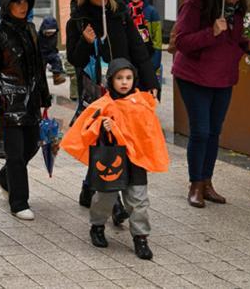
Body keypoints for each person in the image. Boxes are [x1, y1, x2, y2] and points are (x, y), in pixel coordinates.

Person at [61, 59, 169, 261]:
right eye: (119, 78)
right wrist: (102, 126)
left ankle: (141, 237)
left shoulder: (142, 104)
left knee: (138, 200)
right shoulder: (103, 105)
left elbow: (149, 132)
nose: (124, 82)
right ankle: (98, 226)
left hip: (136, 160)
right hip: (111, 159)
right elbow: (87, 127)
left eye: (128, 78)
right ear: (111, 81)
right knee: (105, 197)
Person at [66, 0, 159, 208]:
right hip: (95, 91)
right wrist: (85, 42)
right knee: (102, 141)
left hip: (122, 90)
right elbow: (74, 60)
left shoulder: (121, 14)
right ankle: (114, 202)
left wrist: (149, 83)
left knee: (121, 140)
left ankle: (90, 187)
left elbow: (137, 48)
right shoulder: (77, 20)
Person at [173, 0, 250, 207]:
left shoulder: (236, 9)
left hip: (223, 77)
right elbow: (181, 41)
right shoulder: (195, 4)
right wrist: (210, 31)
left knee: (214, 131)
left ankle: (206, 182)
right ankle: (194, 184)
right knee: (201, 131)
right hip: (194, 76)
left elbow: (232, 40)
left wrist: (249, 44)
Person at [0, 0, 51, 220]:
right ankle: (19, 202)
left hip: (30, 99)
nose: (22, 6)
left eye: (25, 1)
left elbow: (38, 66)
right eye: (17, 2)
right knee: (15, 153)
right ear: (6, 4)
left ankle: (5, 177)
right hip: (8, 102)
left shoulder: (31, 28)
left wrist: (44, 95)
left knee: (31, 146)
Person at [126, 0, 163, 90]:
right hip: (131, 57)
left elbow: (157, 39)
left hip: (149, 56)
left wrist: (155, 61)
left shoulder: (151, 12)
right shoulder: (126, 11)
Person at [38, 16, 66, 85]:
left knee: (56, 60)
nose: (49, 34)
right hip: (41, 54)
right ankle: (40, 80)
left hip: (51, 52)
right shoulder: (38, 36)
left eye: (51, 32)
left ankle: (57, 76)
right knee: (40, 66)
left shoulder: (54, 36)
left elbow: (53, 46)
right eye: (47, 32)